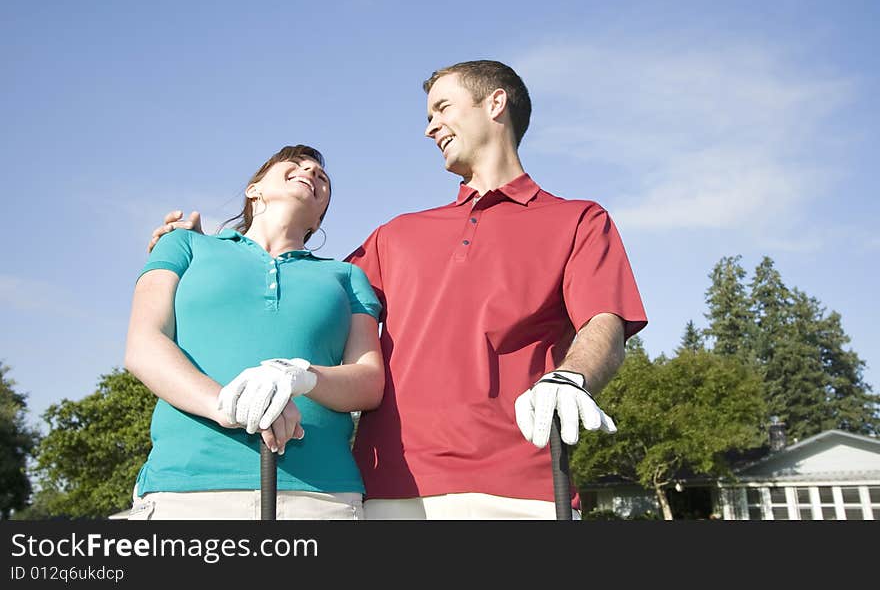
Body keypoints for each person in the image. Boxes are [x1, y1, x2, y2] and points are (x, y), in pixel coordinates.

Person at [150, 60, 647, 519]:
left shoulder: (579, 219)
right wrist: (202, 254)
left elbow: (603, 319)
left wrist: (573, 377)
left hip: (525, 488)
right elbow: (295, 290)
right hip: (393, 491)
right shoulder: (396, 235)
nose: (430, 126)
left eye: (442, 108)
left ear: (495, 104)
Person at [126, 145, 384, 520]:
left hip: (320, 495)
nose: (311, 171)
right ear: (254, 189)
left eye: (322, 176)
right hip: (188, 488)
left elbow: (368, 381)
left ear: (319, 218)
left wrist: (299, 375)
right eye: (295, 165)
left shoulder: (345, 277)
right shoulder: (184, 244)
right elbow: (144, 345)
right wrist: (232, 404)